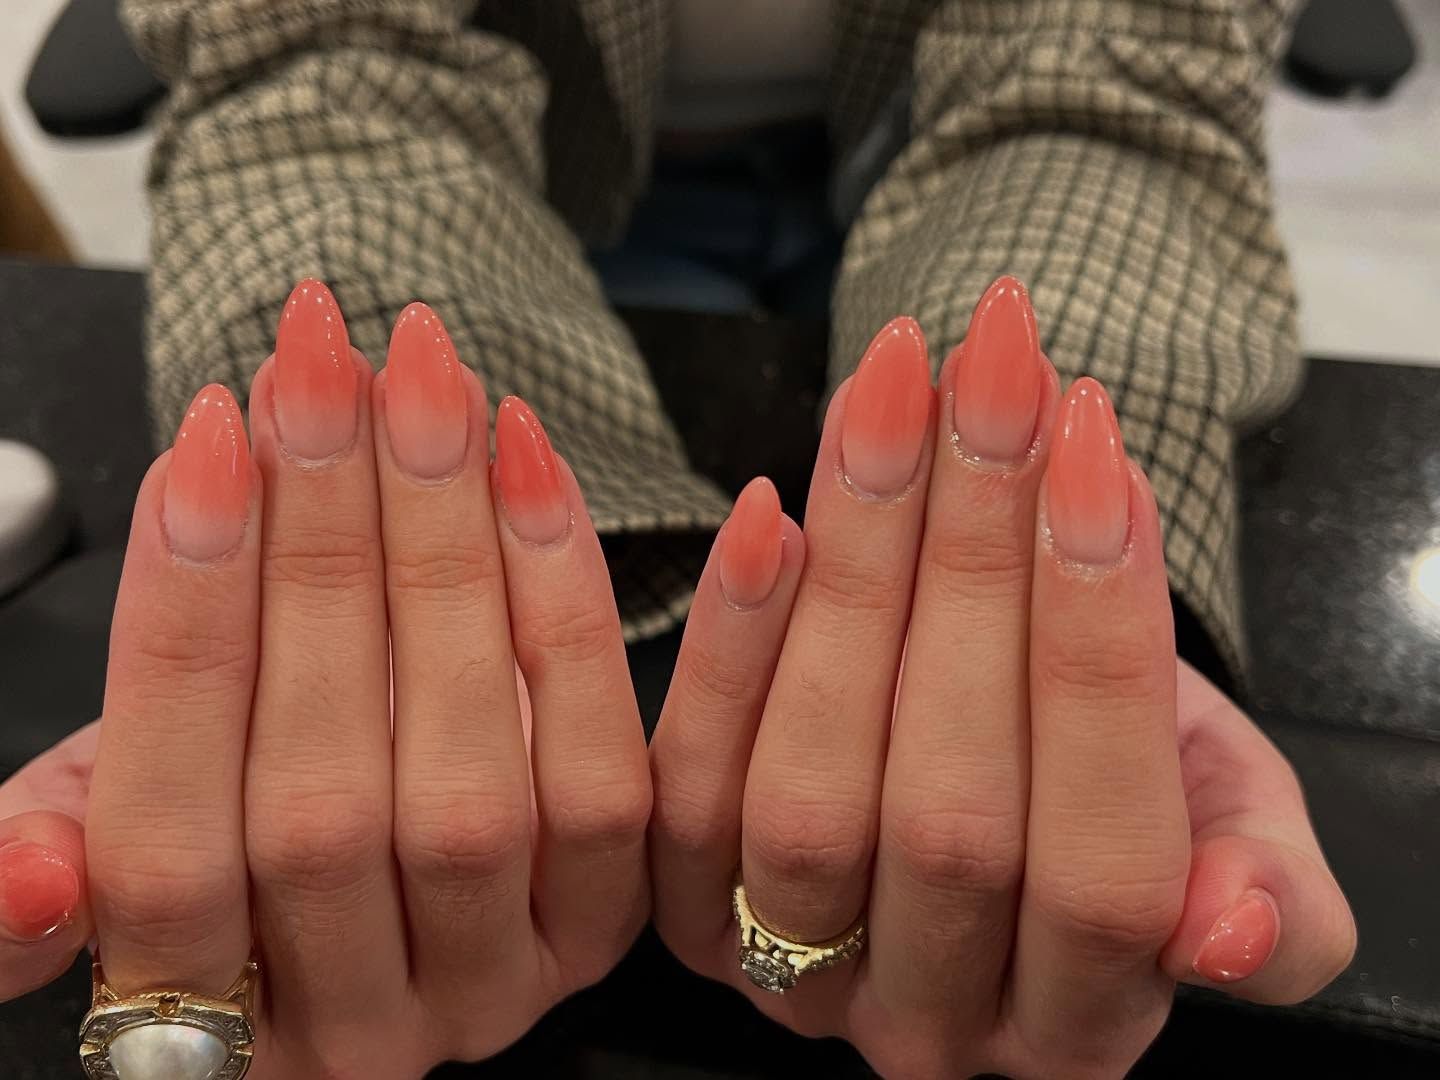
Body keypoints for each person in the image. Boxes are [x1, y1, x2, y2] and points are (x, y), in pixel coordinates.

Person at [0, 2, 1355, 1078]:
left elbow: (1111, 78)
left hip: (976, 186)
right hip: (529, 210)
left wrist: (1052, 587)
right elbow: (313, 76)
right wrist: (392, 556)